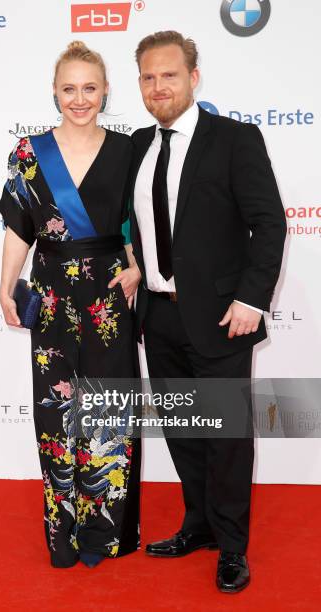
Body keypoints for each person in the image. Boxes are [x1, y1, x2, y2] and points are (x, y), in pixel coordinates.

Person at [130, 31, 286, 593]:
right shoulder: (137, 147)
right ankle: (198, 525)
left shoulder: (234, 140)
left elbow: (269, 223)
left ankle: (233, 546)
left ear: (193, 79)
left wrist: (251, 299)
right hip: (160, 315)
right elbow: (137, 227)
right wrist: (133, 268)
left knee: (226, 436)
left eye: (169, 75)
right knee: (183, 431)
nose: (158, 86)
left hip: (224, 316)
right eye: (148, 77)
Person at [0, 41, 142, 569]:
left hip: (109, 292)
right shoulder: (28, 152)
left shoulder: (131, 151)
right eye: (68, 89)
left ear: (105, 91)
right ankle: (64, 533)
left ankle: (105, 534)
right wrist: (5, 284)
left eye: (89, 88)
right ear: (54, 92)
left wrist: (138, 265)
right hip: (52, 291)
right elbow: (19, 226)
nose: (79, 99)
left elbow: (139, 224)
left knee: (106, 410)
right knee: (57, 411)